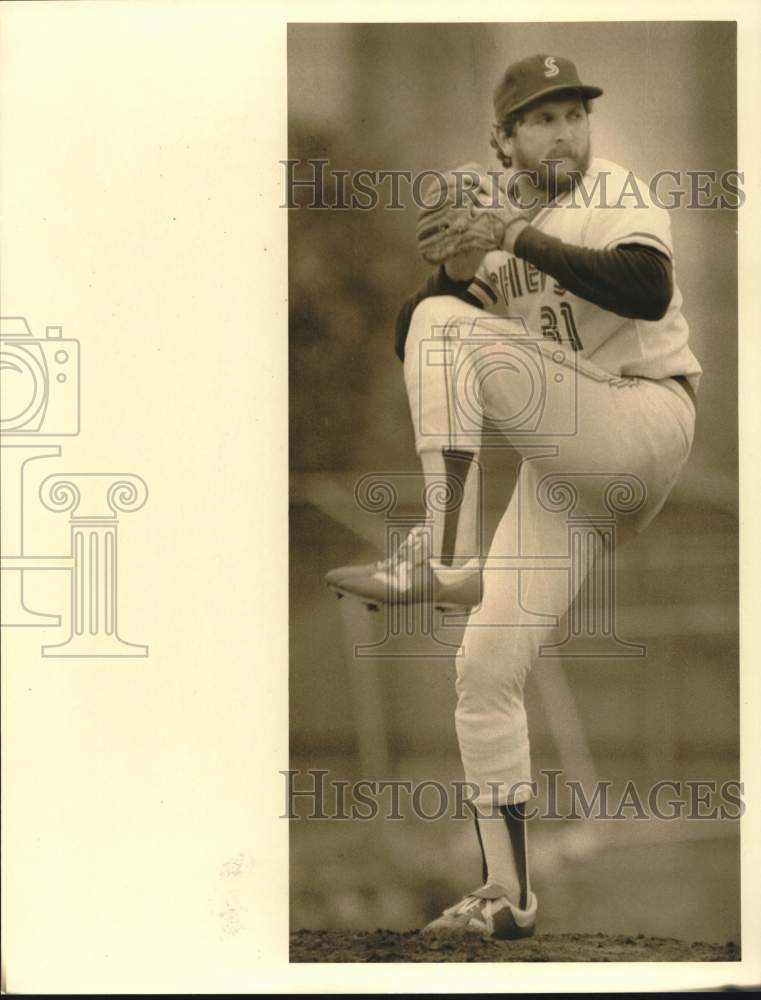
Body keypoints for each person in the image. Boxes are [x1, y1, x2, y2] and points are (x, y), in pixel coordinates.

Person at [326, 53, 701, 939]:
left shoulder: (613, 188)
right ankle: (506, 895)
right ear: (503, 139)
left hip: (643, 422)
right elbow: (413, 335)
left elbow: (645, 291)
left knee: (447, 332)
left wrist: (513, 241)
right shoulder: (498, 216)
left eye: (574, 112)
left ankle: (445, 556)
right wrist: (452, 273)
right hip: (570, 462)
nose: (566, 131)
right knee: (484, 667)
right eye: (541, 118)